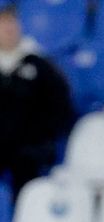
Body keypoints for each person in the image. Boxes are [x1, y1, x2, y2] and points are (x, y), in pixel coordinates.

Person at [0, 4, 74, 201]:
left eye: (11, 22)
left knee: (28, 179)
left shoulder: (40, 66)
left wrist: (41, 140)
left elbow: (60, 106)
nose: (8, 29)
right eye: (2, 23)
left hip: (30, 150)